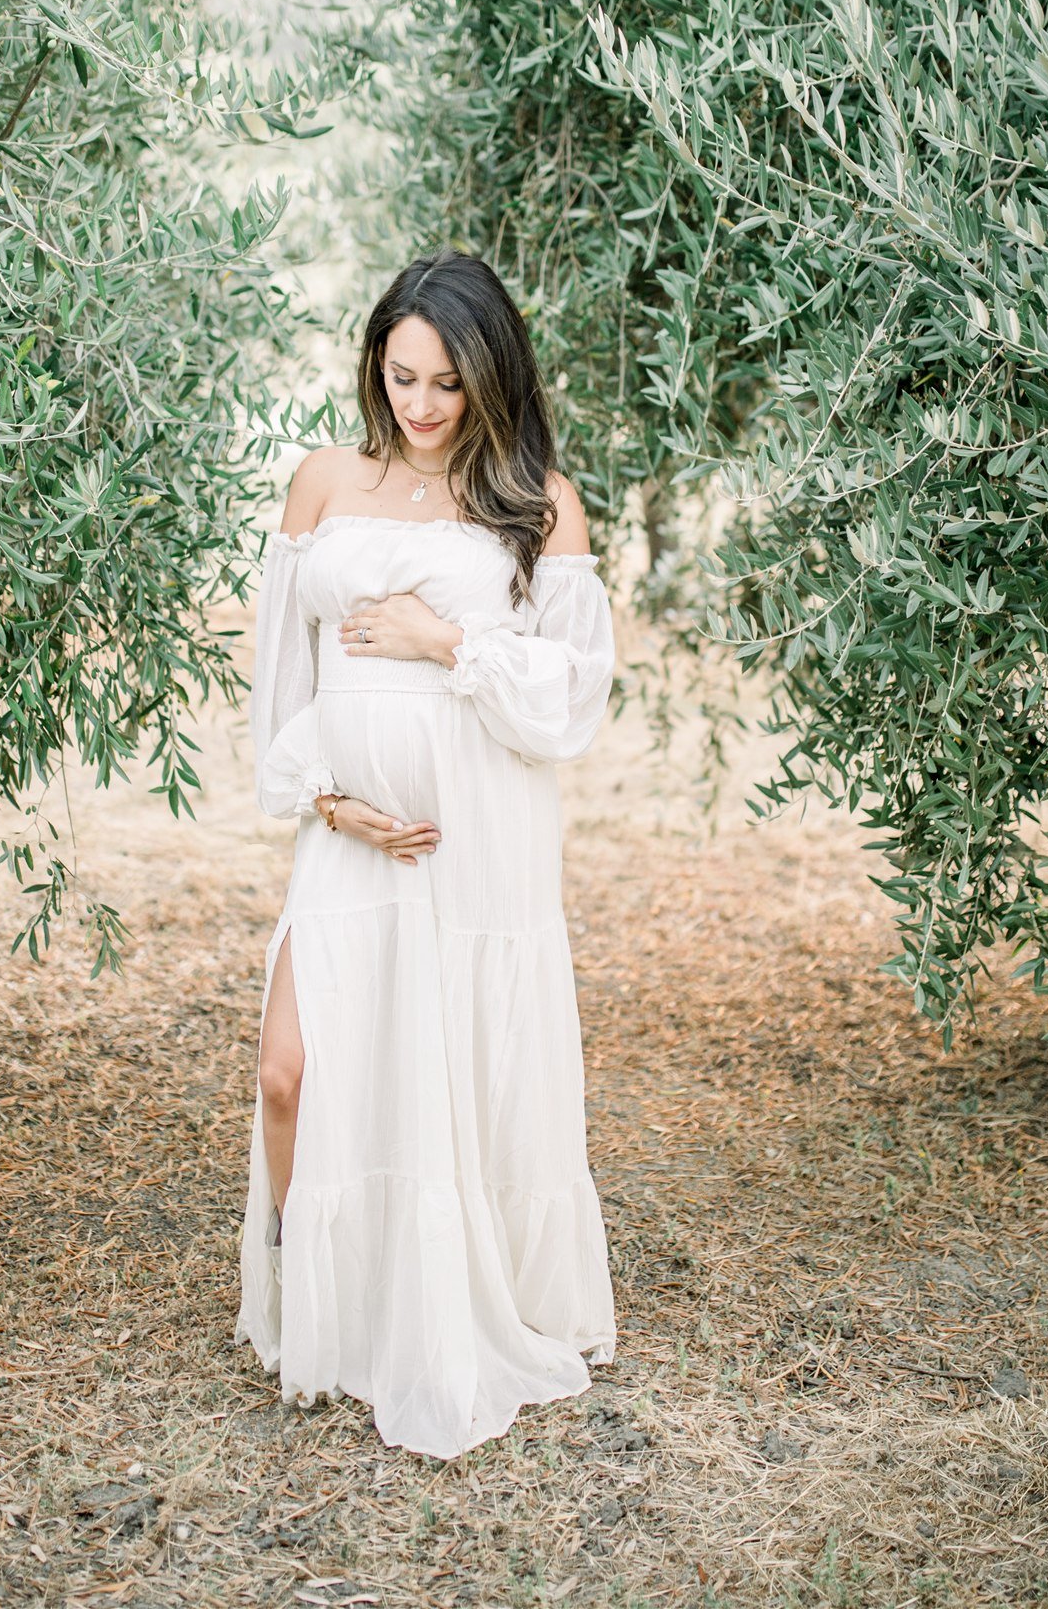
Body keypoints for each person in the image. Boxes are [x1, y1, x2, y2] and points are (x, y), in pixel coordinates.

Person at [233, 249, 617, 1459]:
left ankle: (453, 1298)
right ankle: (314, 1284)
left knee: (456, 1071)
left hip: (477, 852)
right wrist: (326, 797)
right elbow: (281, 687)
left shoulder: (537, 501)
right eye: (402, 375)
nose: (423, 403)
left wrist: (439, 638)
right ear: (373, 367)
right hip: (351, 837)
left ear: (491, 376)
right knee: (289, 1070)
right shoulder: (323, 483)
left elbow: (570, 700)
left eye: (448, 380)